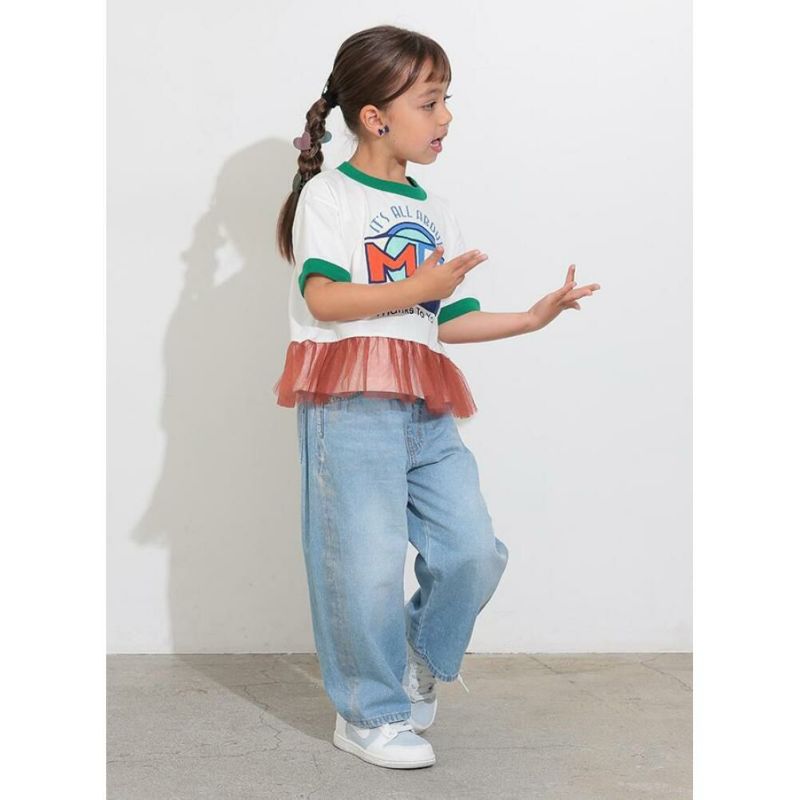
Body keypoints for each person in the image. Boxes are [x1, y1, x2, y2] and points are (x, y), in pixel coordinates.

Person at [273, 25, 601, 770]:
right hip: (350, 401)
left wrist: (531, 317)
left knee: (472, 550)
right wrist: (416, 285)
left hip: (424, 404)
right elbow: (324, 298)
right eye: (429, 103)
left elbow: (443, 319)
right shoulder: (329, 196)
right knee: (363, 562)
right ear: (374, 117)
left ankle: (417, 653)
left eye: (446, 100)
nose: (446, 117)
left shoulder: (436, 207)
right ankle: (369, 714)